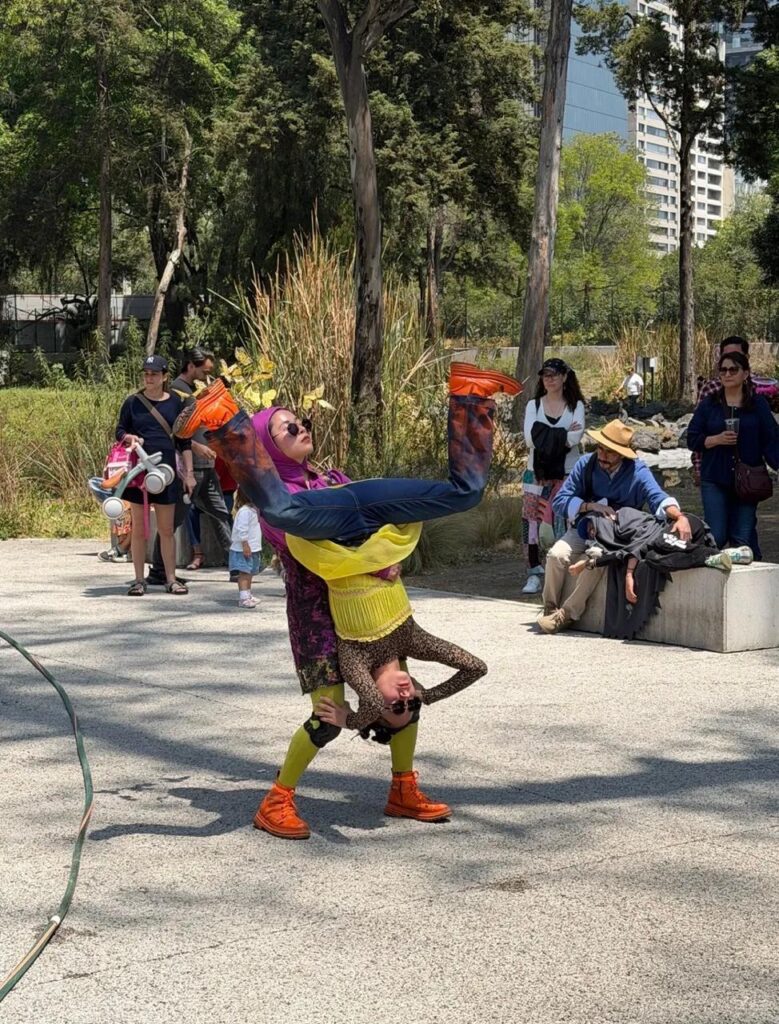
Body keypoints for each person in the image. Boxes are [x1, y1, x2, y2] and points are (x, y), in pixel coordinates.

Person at [175, 361, 518, 839]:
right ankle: (277, 801)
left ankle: (470, 394)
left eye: (303, 422)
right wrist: (376, 557)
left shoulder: (331, 479)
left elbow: (372, 535)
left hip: (366, 591)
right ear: (266, 447)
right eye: (285, 427)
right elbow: (309, 556)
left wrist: (388, 547)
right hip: (319, 620)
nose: (301, 427)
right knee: (329, 715)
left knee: (465, 493)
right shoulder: (282, 505)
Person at [285, 522, 486, 734]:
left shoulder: (356, 661)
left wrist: (351, 721)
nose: (407, 698)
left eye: (398, 707)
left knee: (285, 521)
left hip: (331, 546)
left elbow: (372, 703)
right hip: (371, 534)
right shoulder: (413, 641)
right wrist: (426, 696)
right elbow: (476, 667)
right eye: (412, 705)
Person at [537, 419, 692, 634]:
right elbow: (560, 501)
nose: (602, 455)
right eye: (600, 448)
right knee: (556, 555)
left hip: (617, 536)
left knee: (596, 561)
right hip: (584, 527)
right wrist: (588, 506)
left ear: (623, 453)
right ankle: (549, 608)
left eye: (610, 452)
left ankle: (567, 615)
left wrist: (679, 517)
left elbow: (658, 498)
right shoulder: (586, 464)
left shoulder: (638, 470)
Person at [115, 355, 195, 595]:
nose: (149, 378)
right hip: (139, 472)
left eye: (154, 374)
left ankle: (170, 579)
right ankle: (139, 580)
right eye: (146, 373)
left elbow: (184, 441)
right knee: (139, 528)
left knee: (167, 529)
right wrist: (129, 438)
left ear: (164, 377)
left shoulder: (175, 404)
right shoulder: (132, 402)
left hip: (167, 473)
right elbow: (119, 431)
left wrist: (189, 474)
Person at [687, 351, 779, 551]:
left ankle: (740, 581)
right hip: (714, 477)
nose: (727, 374)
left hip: (748, 479)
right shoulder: (709, 404)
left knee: (742, 538)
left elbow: (771, 439)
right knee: (716, 536)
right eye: (723, 370)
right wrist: (715, 439)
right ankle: (711, 577)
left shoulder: (758, 405)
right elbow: (692, 438)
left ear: (745, 373)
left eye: (733, 369)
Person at [521, 358, 585, 595]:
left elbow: (575, 439)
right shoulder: (533, 405)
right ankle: (534, 573)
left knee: (565, 521)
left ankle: (562, 573)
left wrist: (543, 435)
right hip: (535, 474)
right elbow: (529, 440)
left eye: (554, 374)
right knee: (531, 524)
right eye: (545, 375)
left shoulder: (575, 405)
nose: (549, 379)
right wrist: (561, 435)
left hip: (567, 474)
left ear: (565, 377)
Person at [170, 347, 233, 571]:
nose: (207, 377)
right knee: (176, 517)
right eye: (204, 371)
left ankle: (237, 565)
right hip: (190, 468)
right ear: (190, 366)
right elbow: (172, 430)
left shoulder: (199, 390)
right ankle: (160, 569)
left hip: (208, 466)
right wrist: (195, 447)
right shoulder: (177, 391)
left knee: (221, 514)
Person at [229, 489, 263, 608]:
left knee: (249, 573)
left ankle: (248, 594)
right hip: (243, 548)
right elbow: (241, 528)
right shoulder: (245, 511)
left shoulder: (254, 510)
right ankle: (243, 598)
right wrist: (245, 544)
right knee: (244, 573)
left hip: (253, 547)